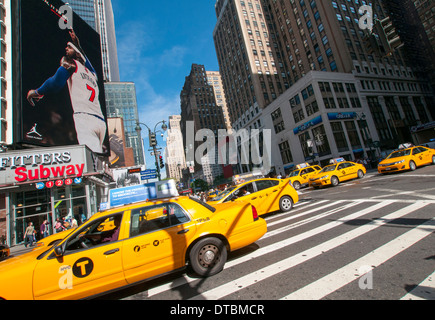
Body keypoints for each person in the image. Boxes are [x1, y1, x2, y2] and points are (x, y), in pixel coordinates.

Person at [26, 29, 107, 154]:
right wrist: (77, 42)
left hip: (85, 119)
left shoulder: (71, 63)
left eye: (69, 47)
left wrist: (37, 92)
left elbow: (56, 83)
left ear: (77, 52)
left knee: (92, 164)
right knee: (99, 159)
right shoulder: (93, 74)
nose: (66, 49)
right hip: (101, 122)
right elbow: (85, 58)